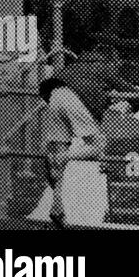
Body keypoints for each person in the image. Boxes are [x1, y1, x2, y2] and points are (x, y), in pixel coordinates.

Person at [39, 76, 108, 228]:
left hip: (56, 98)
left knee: (57, 151)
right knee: (98, 146)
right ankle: (65, 157)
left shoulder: (54, 95)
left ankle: (57, 205)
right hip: (69, 96)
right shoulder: (72, 84)